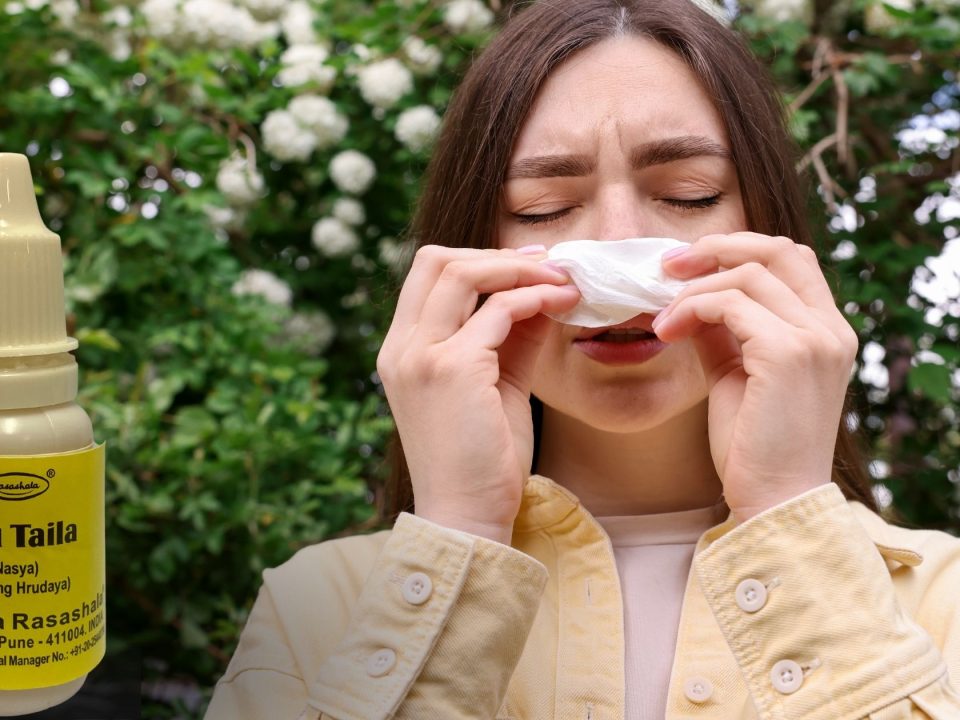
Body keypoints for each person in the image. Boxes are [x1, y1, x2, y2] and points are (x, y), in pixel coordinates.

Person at [204, 1, 960, 718]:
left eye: (691, 195)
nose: (616, 243)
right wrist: (461, 529)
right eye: (543, 209)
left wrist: (785, 511)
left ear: (767, 223)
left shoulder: (941, 600)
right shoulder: (324, 607)